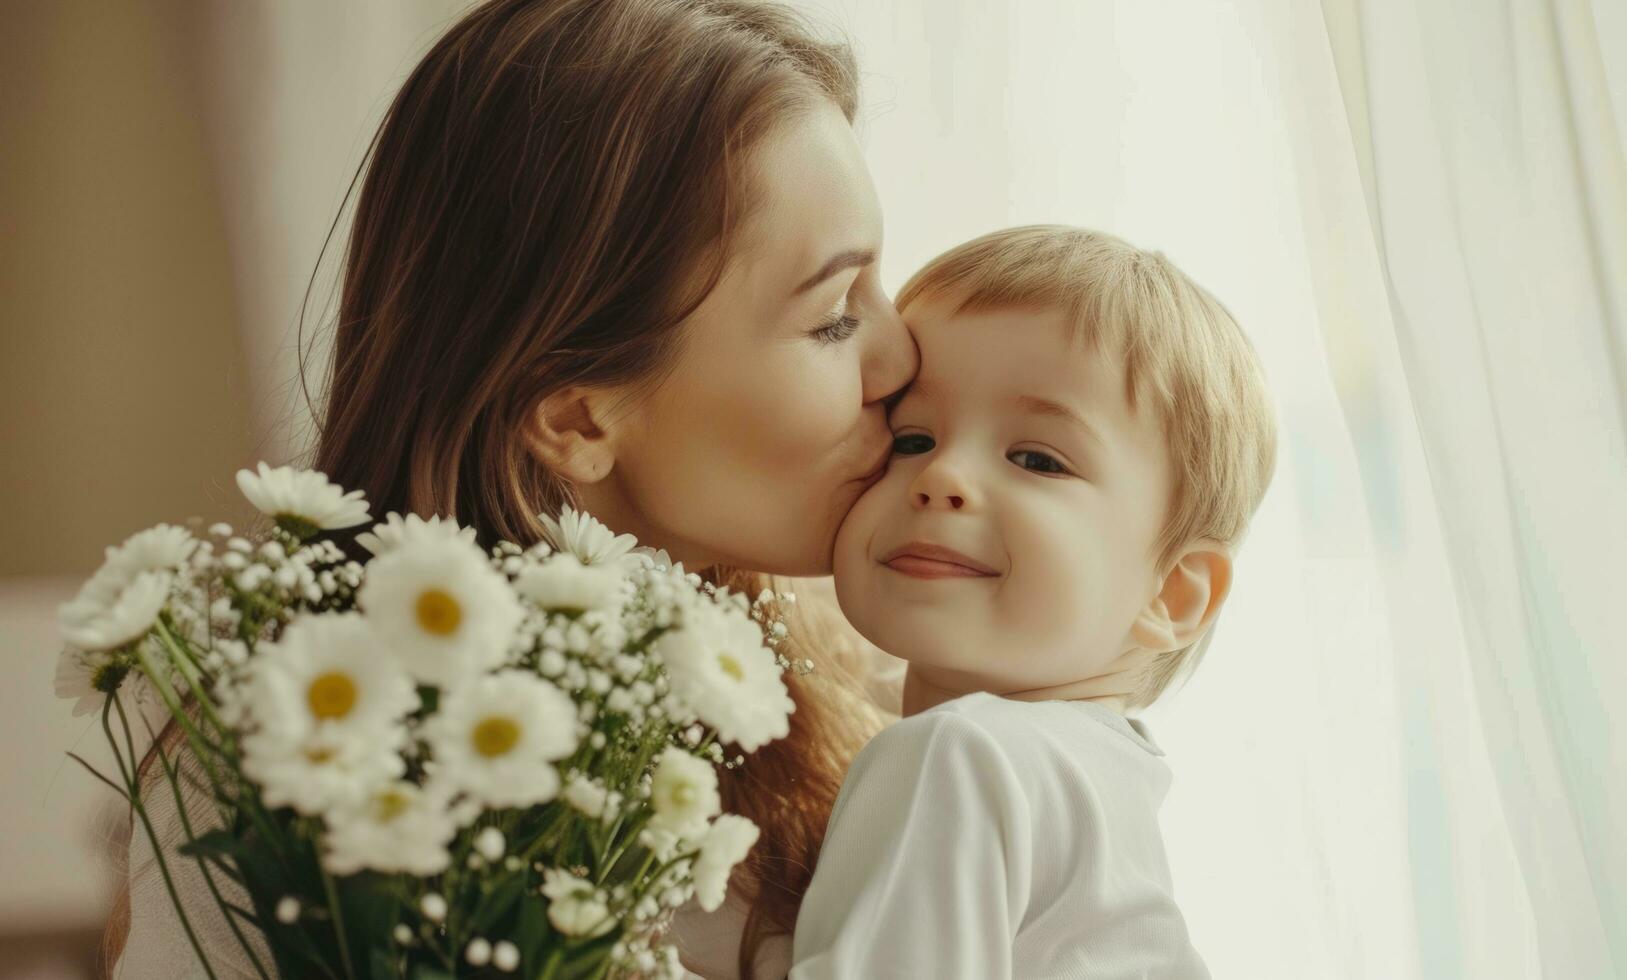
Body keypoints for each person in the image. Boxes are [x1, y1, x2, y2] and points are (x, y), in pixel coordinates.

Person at [110, 2, 917, 978]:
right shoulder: (301, 767)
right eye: (834, 315)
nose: (902, 353)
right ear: (578, 420)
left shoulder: (874, 672)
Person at [790, 225, 1279, 978]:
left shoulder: (958, 756)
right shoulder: (1103, 778)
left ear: (1172, 592)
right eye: (911, 439)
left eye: (1036, 459)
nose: (940, 475)